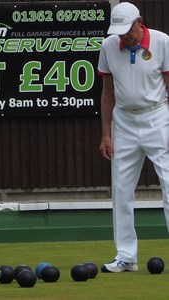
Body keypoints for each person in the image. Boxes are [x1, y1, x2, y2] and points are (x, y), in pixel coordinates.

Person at [98, 2, 169, 272]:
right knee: (121, 190)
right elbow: (107, 92)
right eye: (119, 32)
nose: (123, 36)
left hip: (158, 117)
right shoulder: (108, 46)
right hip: (124, 122)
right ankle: (126, 256)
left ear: (140, 22)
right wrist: (106, 133)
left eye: (127, 30)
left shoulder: (162, 42)